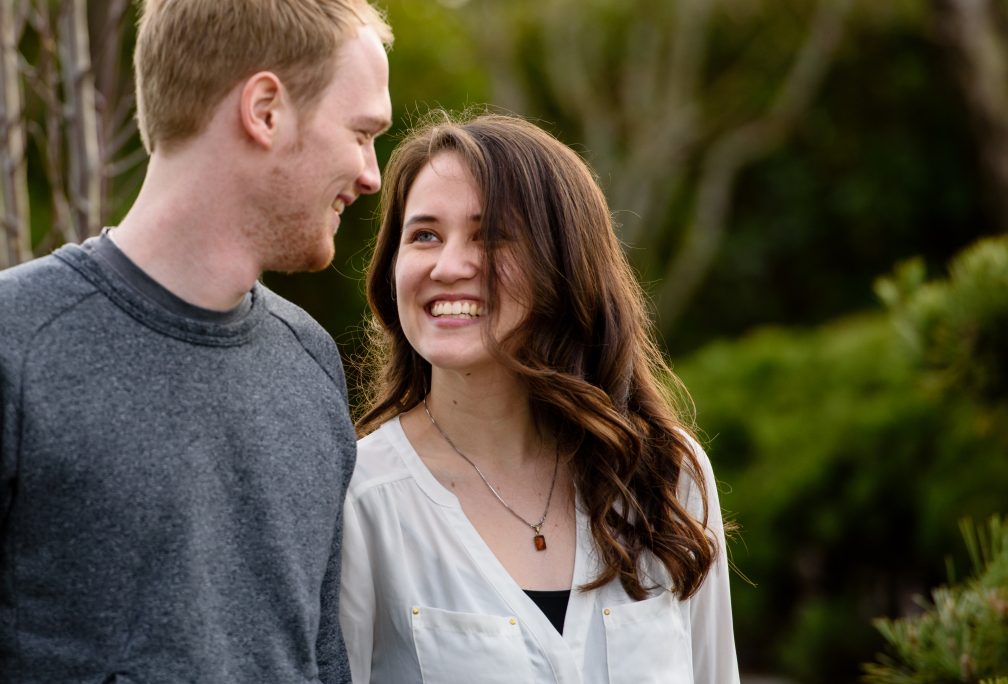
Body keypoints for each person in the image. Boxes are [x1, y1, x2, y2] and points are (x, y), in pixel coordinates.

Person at [0, 1, 391, 681]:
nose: (371, 175)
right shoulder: (17, 343)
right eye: (361, 133)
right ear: (265, 109)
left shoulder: (309, 361)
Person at [340, 113, 740, 683]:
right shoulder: (361, 500)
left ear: (565, 263)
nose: (449, 266)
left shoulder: (666, 477)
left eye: (492, 236)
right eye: (424, 234)